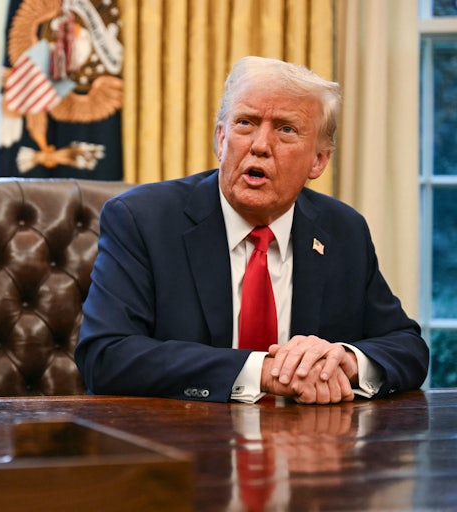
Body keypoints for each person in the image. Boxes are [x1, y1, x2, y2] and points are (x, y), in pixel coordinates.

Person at [74, 56, 429, 404]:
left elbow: (407, 346)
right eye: (245, 123)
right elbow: (106, 355)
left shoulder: (343, 230)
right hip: (185, 437)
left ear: (319, 160)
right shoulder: (142, 220)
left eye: (286, 129)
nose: (259, 145)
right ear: (221, 139)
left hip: (310, 438)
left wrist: (345, 361)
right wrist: (264, 371)